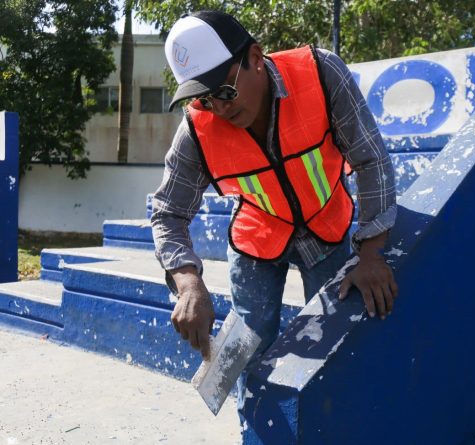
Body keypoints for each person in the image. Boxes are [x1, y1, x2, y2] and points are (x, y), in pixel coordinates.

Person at [151, 9, 398, 420]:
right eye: (204, 98)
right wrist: (188, 280)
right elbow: (167, 212)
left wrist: (371, 252)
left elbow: (371, 159)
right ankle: (252, 425)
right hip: (259, 233)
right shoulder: (197, 128)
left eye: (224, 90)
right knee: (247, 340)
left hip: (327, 225)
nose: (218, 108)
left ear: (256, 58)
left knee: (334, 337)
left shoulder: (321, 74)